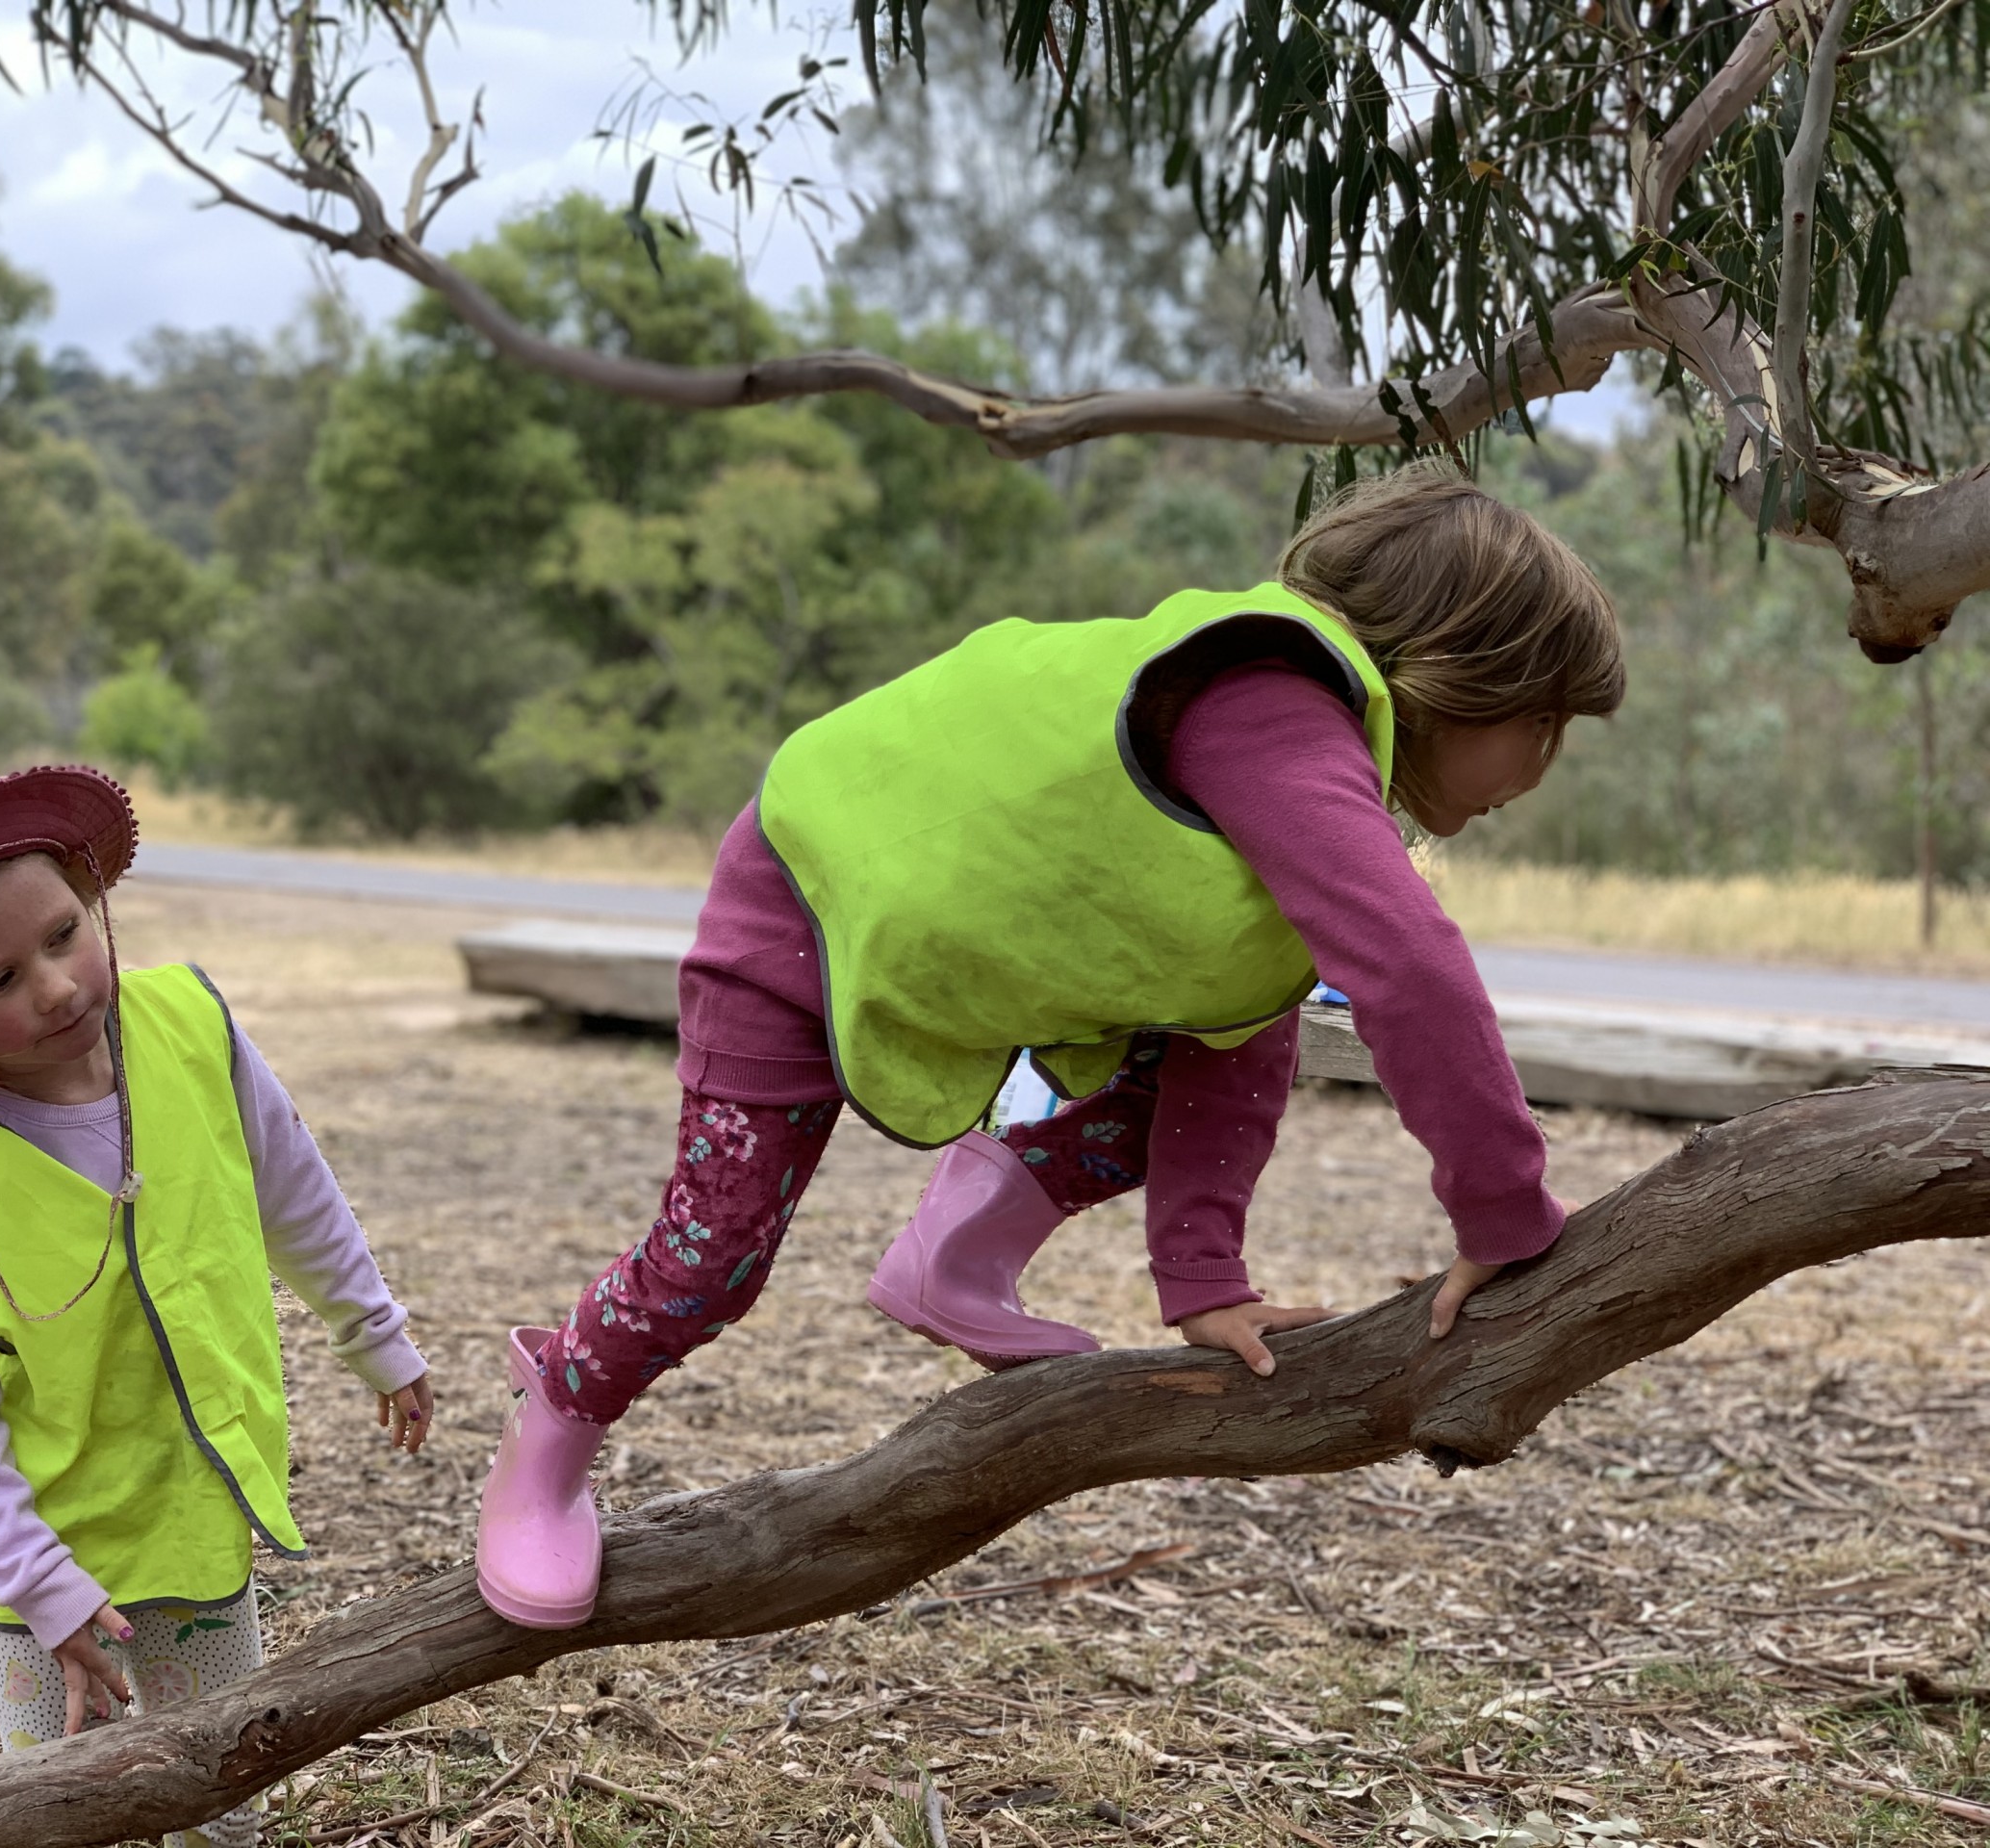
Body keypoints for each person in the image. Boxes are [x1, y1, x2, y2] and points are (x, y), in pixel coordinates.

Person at [472, 464, 1623, 1630]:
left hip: (960, 949)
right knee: (710, 1257)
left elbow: (1236, 1031)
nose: (1541, 770)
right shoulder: (1265, 700)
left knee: (1144, 1094)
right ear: (1465, 675)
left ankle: (955, 1257)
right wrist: (1504, 1212)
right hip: (804, 904)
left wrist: (1205, 1282)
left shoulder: (1308, 776)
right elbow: (1412, 973)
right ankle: (554, 1423)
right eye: (1547, 726)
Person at [0, 765, 433, 1848]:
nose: (54, 987)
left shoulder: (190, 1031)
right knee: (63, 1811)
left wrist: (373, 1332)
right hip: (38, 1569)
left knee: (219, 1780)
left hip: (190, 1525)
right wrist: (42, 1589)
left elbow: (295, 1190)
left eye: (64, 934)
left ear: (92, 893)